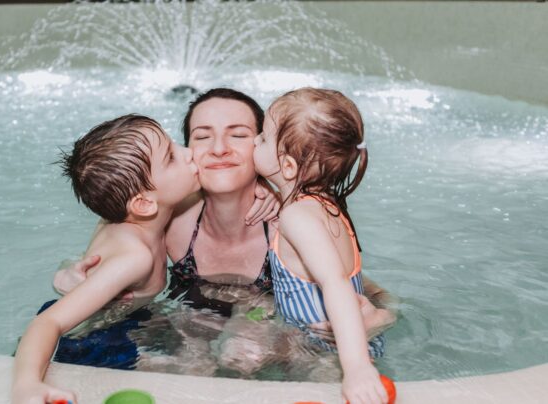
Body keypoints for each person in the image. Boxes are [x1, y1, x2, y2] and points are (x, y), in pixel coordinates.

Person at [53, 88, 395, 375]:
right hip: (185, 327)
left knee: (254, 348)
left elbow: (361, 288)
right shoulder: (168, 219)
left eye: (240, 135)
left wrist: (381, 317)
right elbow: (112, 235)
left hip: (274, 339)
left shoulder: (290, 221)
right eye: (202, 136)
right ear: (186, 153)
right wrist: (72, 272)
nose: (218, 149)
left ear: (271, 150)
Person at [12, 114, 199, 404]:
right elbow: (47, 323)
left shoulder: (122, 215)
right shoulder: (134, 256)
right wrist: (27, 385)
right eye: (172, 157)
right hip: (88, 339)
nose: (189, 153)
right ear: (144, 203)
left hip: (112, 316)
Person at [252, 87, 388, 403]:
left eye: (262, 138)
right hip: (350, 342)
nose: (254, 142)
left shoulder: (297, 216)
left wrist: (355, 368)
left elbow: (334, 284)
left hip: (324, 355)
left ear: (286, 167)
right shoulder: (330, 207)